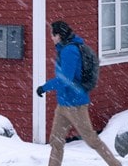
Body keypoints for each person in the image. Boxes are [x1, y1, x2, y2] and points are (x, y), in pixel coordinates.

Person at [35, 20, 122, 166]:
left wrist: (44, 87)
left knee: (91, 140)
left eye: (52, 34)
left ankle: (115, 164)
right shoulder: (63, 49)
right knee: (56, 140)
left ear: (59, 35)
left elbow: (65, 79)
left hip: (75, 104)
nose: (51, 37)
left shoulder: (70, 51)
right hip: (63, 104)